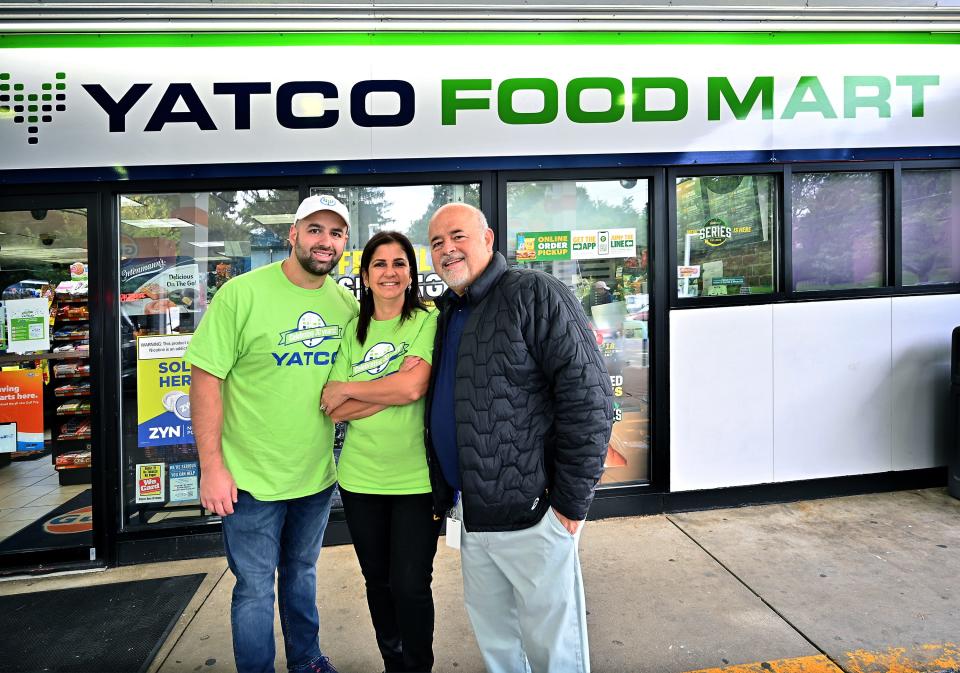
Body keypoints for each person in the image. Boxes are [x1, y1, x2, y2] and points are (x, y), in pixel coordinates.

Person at [425, 203, 614, 673]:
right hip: (473, 513)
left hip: (534, 515)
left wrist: (569, 505)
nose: (447, 250)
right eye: (436, 243)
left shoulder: (537, 294)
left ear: (488, 239)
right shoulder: (450, 311)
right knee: (498, 647)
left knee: (555, 652)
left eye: (458, 236)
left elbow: (590, 402)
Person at [185, 194, 358, 673]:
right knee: (256, 587)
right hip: (249, 479)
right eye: (316, 230)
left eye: (336, 233)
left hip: (315, 476)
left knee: (302, 574)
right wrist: (212, 467)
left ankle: (306, 660)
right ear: (294, 233)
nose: (326, 242)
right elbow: (205, 379)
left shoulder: (343, 303)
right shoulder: (242, 294)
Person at [319, 231, 441, 673]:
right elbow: (333, 408)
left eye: (399, 263)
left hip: (416, 479)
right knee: (379, 582)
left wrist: (354, 387)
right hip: (360, 479)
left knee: (410, 585)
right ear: (366, 275)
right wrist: (393, 389)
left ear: (411, 272)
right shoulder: (353, 330)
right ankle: (394, 663)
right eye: (379, 264)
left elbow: (414, 387)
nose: (390, 272)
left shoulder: (428, 320)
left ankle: (417, 667)